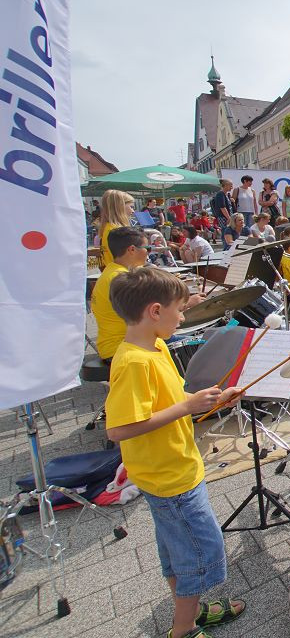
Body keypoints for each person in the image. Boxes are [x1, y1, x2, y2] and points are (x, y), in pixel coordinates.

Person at [104, 267, 245, 638]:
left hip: (173, 468)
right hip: (169, 478)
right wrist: (186, 408)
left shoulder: (157, 346)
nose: (183, 317)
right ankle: (183, 629)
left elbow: (168, 401)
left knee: (176, 550)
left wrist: (206, 400)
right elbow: (119, 428)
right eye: (179, 310)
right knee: (200, 553)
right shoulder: (135, 362)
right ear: (154, 311)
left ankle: (192, 613)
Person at [91, 227, 149, 361]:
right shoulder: (121, 279)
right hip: (124, 347)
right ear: (132, 250)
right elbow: (150, 316)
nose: (148, 253)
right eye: (147, 248)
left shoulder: (112, 271)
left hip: (115, 344)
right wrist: (186, 305)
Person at [99, 189, 136, 268]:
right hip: (123, 275)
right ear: (120, 207)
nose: (133, 211)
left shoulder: (107, 228)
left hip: (112, 271)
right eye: (131, 207)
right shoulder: (119, 232)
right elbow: (131, 260)